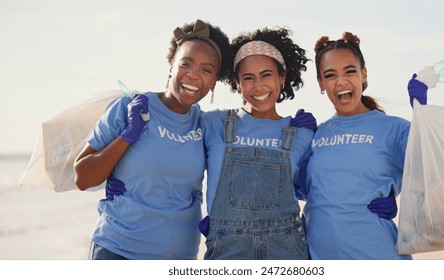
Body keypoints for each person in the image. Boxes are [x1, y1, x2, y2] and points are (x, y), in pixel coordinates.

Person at [73, 19, 232, 260]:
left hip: (179, 257)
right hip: (118, 250)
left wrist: (292, 128)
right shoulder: (129, 107)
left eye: (206, 70)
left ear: (214, 83)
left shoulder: (207, 125)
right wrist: (128, 136)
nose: (193, 75)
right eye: (185, 64)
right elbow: (82, 178)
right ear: (172, 66)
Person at [199, 27, 315, 260]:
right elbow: (170, 145)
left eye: (266, 75)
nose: (259, 86)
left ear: (282, 78)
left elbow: (316, 189)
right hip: (227, 250)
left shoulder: (302, 133)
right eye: (248, 78)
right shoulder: (213, 123)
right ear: (237, 83)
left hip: (287, 249)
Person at [302, 32, 413, 260]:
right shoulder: (315, 135)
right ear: (321, 83)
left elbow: (435, 171)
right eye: (330, 75)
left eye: (350, 71)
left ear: (363, 74)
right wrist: (293, 142)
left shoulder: (394, 129)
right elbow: (292, 188)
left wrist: (424, 114)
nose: (341, 81)